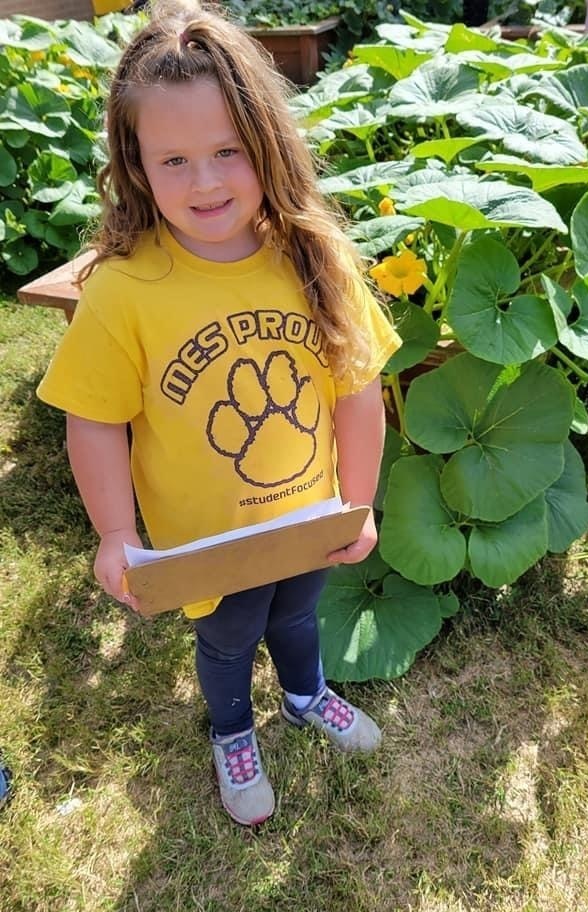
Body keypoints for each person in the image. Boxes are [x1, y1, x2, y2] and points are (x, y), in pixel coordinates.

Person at [37, 0, 401, 826]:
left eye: (227, 152)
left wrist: (358, 500)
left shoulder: (315, 258)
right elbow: (93, 419)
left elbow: (356, 388)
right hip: (208, 538)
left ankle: (307, 694)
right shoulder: (125, 290)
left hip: (307, 515)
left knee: (299, 612)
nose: (203, 183)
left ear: (266, 144)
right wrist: (112, 532)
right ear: (134, 163)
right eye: (173, 160)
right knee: (231, 636)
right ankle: (233, 730)